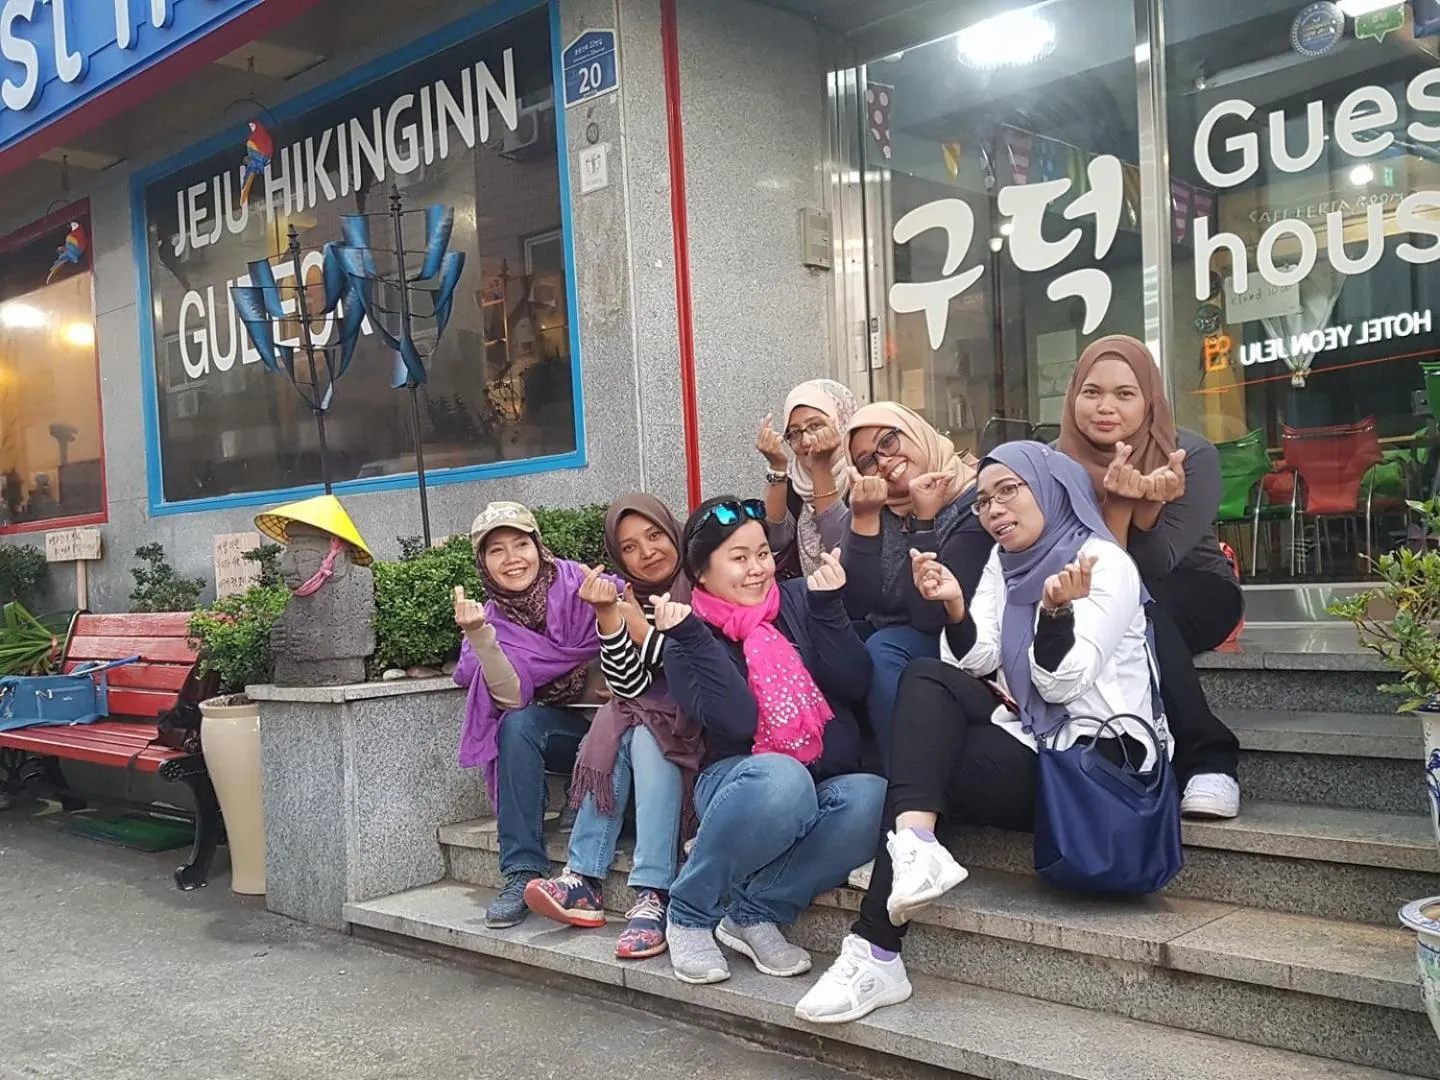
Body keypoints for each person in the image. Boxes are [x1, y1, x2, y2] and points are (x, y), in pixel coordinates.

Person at [795, 442, 1169, 1025]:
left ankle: (877, 943)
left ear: (1050, 488)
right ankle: (912, 855)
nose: (993, 510)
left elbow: (1064, 685)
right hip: (1037, 742)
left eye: (1009, 492)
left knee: (923, 761)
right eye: (985, 500)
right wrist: (954, 608)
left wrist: (1055, 619)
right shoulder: (1003, 563)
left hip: (1096, 768)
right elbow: (979, 659)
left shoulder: (1104, 563)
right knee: (926, 678)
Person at [656, 497, 886, 985]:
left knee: (872, 794)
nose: (757, 569)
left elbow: (855, 682)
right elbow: (737, 722)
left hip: (819, 777)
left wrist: (827, 610)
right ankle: (690, 914)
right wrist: (696, 639)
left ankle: (753, 912)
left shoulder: (800, 601)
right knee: (783, 779)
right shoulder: (683, 636)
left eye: (762, 554)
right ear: (700, 573)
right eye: (738, 559)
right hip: (739, 780)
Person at [1058, 334, 1242, 819]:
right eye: (1092, 392)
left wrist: (1143, 505)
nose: (1105, 407)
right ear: (1073, 394)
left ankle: (1210, 760)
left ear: (1149, 399)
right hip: (1089, 590)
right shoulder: (1052, 463)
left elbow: (1156, 563)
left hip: (1195, 587)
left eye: (1125, 394)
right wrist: (1119, 506)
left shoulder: (1187, 455)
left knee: (1141, 607)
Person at [524, 495, 704, 959]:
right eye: (629, 547)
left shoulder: (701, 584)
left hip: (701, 728)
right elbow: (630, 685)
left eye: (654, 536)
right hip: (649, 724)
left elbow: (687, 674)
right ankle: (583, 879)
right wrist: (609, 618)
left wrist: (641, 628)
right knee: (625, 722)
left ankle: (653, 891)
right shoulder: (625, 599)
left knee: (644, 730)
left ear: (674, 533)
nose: (646, 552)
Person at [452, 501, 608, 930]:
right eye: (496, 550)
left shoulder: (582, 585)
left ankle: (586, 796)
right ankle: (521, 869)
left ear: (539, 547)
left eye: (521, 544)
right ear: (483, 563)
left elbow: (632, 620)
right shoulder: (491, 618)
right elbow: (512, 698)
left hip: (621, 733)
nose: (512, 558)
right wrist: (481, 636)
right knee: (517, 725)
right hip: (570, 735)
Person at [842, 402, 992, 769]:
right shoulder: (884, 504)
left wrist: (924, 522)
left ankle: (908, 785)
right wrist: (863, 519)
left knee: (885, 648)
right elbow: (857, 602)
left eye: (889, 441)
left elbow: (932, 616)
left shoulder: (975, 500)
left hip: (966, 639)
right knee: (833, 635)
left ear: (915, 433)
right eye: (867, 460)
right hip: (899, 627)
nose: (884, 462)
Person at [756, 379, 858, 578]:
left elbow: (840, 549)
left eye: (816, 426)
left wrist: (821, 467)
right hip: (808, 602)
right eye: (795, 432)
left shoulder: (864, 476)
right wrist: (777, 467)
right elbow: (775, 540)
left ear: (843, 422)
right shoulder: (798, 480)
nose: (806, 440)